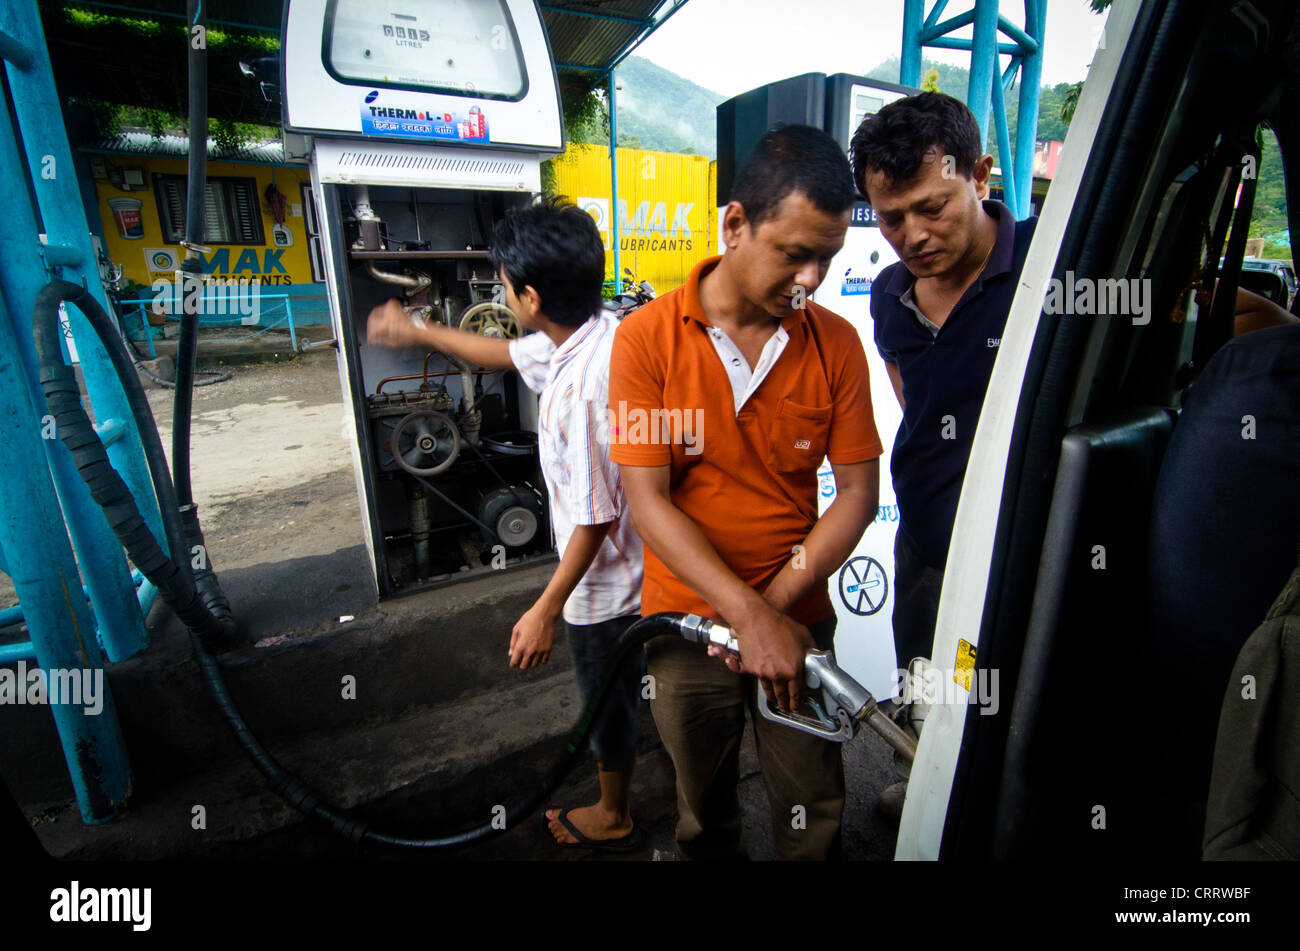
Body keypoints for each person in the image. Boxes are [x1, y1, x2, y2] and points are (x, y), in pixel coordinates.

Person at [609, 124, 882, 860]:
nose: (813, 279)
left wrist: (775, 610)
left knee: (813, 802)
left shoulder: (836, 344)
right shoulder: (644, 340)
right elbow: (649, 499)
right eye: (795, 254)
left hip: (798, 621)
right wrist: (740, 612)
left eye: (827, 257)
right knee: (702, 809)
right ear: (735, 225)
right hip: (685, 627)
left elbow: (857, 490)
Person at [365, 197, 645, 851]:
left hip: (606, 585)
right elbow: (501, 353)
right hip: (626, 560)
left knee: (607, 695)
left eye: (503, 287)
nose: (502, 296)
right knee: (616, 687)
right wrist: (419, 332)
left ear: (529, 294)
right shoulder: (586, 333)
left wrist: (547, 607)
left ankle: (616, 811)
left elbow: (595, 518)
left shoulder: (584, 389)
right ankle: (618, 793)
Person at [849, 92, 1039, 818]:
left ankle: (993, 811)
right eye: (891, 217)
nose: (913, 234)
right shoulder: (891, 293)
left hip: (1020, 540)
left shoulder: (1048, 270)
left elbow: (1239, 312)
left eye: (933, 206)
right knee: (928, 681)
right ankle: (928, 785)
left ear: (980, 176)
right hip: (927, 541)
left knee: (1009, 700)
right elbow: (914, 402)